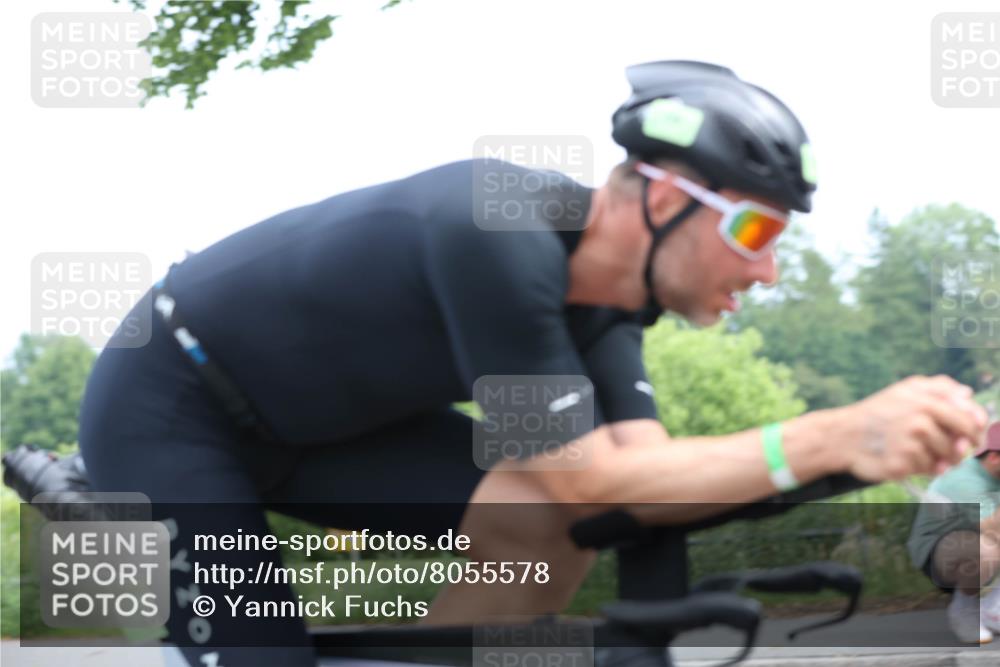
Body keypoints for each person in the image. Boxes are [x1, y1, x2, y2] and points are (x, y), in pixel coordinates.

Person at [78, 60, 988, 667]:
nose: (768, 270)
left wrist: (857, 451)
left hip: (319, 431)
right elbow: (594, 477)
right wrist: (832, 432)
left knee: (550, 520)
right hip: (172, 406)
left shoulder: (612, 309)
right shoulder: (497, 226)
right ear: (665, 197)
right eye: (754, 230)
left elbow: (640, 487)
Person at [908, 421, 1000, 644]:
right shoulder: (964, 480)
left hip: (973, 542)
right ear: (995, 457)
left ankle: (992, 609)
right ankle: (964, 609)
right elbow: (993, 529)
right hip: (938, 552)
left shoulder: (994, 475)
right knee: (988, 548)